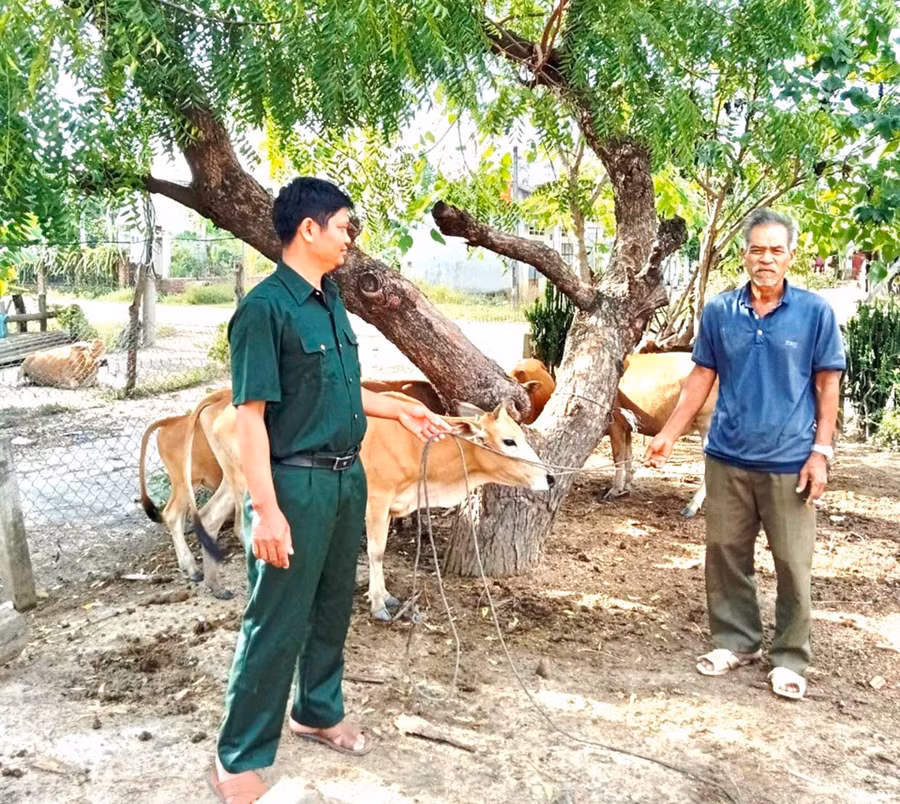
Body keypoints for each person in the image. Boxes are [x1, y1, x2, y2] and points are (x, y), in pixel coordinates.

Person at [210, 177, 450, 803]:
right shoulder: (264, 310)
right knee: (274, 620)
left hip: (348, 481)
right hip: (295, 486)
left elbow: (342, 391)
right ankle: (238, 758)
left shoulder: (330, 300)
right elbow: (251, 419)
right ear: (308, 229)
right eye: (344, 225)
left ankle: (316, 709)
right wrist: (265, 511)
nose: (351, 237)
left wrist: (398, 410)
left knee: (330, 607)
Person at [645, 208, 845, 701]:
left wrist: (821, 452)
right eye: (758, 249)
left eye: (777, 250)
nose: (767, 258)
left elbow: (827, 385)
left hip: (789, 461)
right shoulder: (719, 312)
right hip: (727, 456)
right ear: (745, 255)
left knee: (793, 563)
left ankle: (790, 656)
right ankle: (737, 642)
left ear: (790, 256)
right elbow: (701, 378)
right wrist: (669, 432)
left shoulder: (814, 313)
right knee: (726, 554)